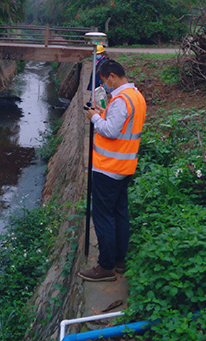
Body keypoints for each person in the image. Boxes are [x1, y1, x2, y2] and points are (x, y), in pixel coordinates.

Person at [79, 58, 147, 282]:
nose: (105, 86)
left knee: (103, 216)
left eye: (104, 81)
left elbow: (110, 131)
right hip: (125, 167)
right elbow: (123, 126)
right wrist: (104, 113)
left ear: (112, 76)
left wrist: (95, 117)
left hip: (108, 168)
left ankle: (106, 266)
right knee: (120, 213)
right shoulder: (137, 97)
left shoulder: (121, 99)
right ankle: (119, 260)